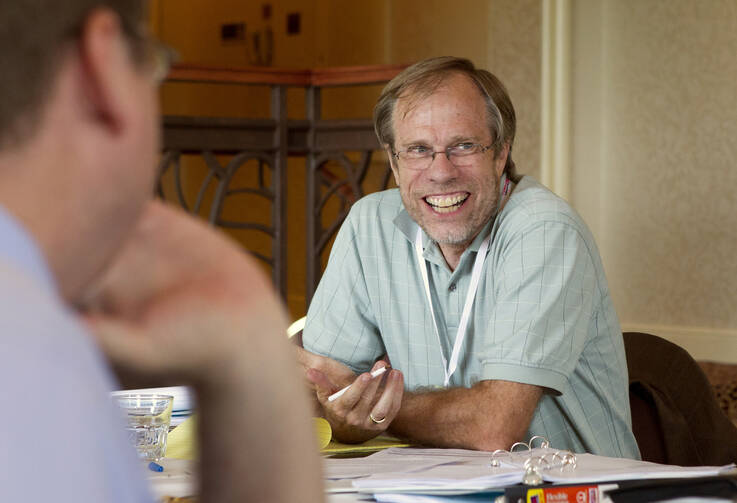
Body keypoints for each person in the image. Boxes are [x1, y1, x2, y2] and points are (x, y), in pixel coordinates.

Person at [0, 1, 323, 502]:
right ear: (101, 68)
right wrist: (257, 366)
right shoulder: (43, 368)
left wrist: (245, 355)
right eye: (151, 64)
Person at [300, 56, 640, 459]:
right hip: (426, 488)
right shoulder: (368, 225)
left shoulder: (544, 229)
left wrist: (372, 409)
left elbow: (494, 426)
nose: (441, 172)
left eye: (463, 146)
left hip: (565, 491)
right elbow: (319, 391)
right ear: (394, 162)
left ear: (501, 154)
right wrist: (342, 409)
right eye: (418, 150)